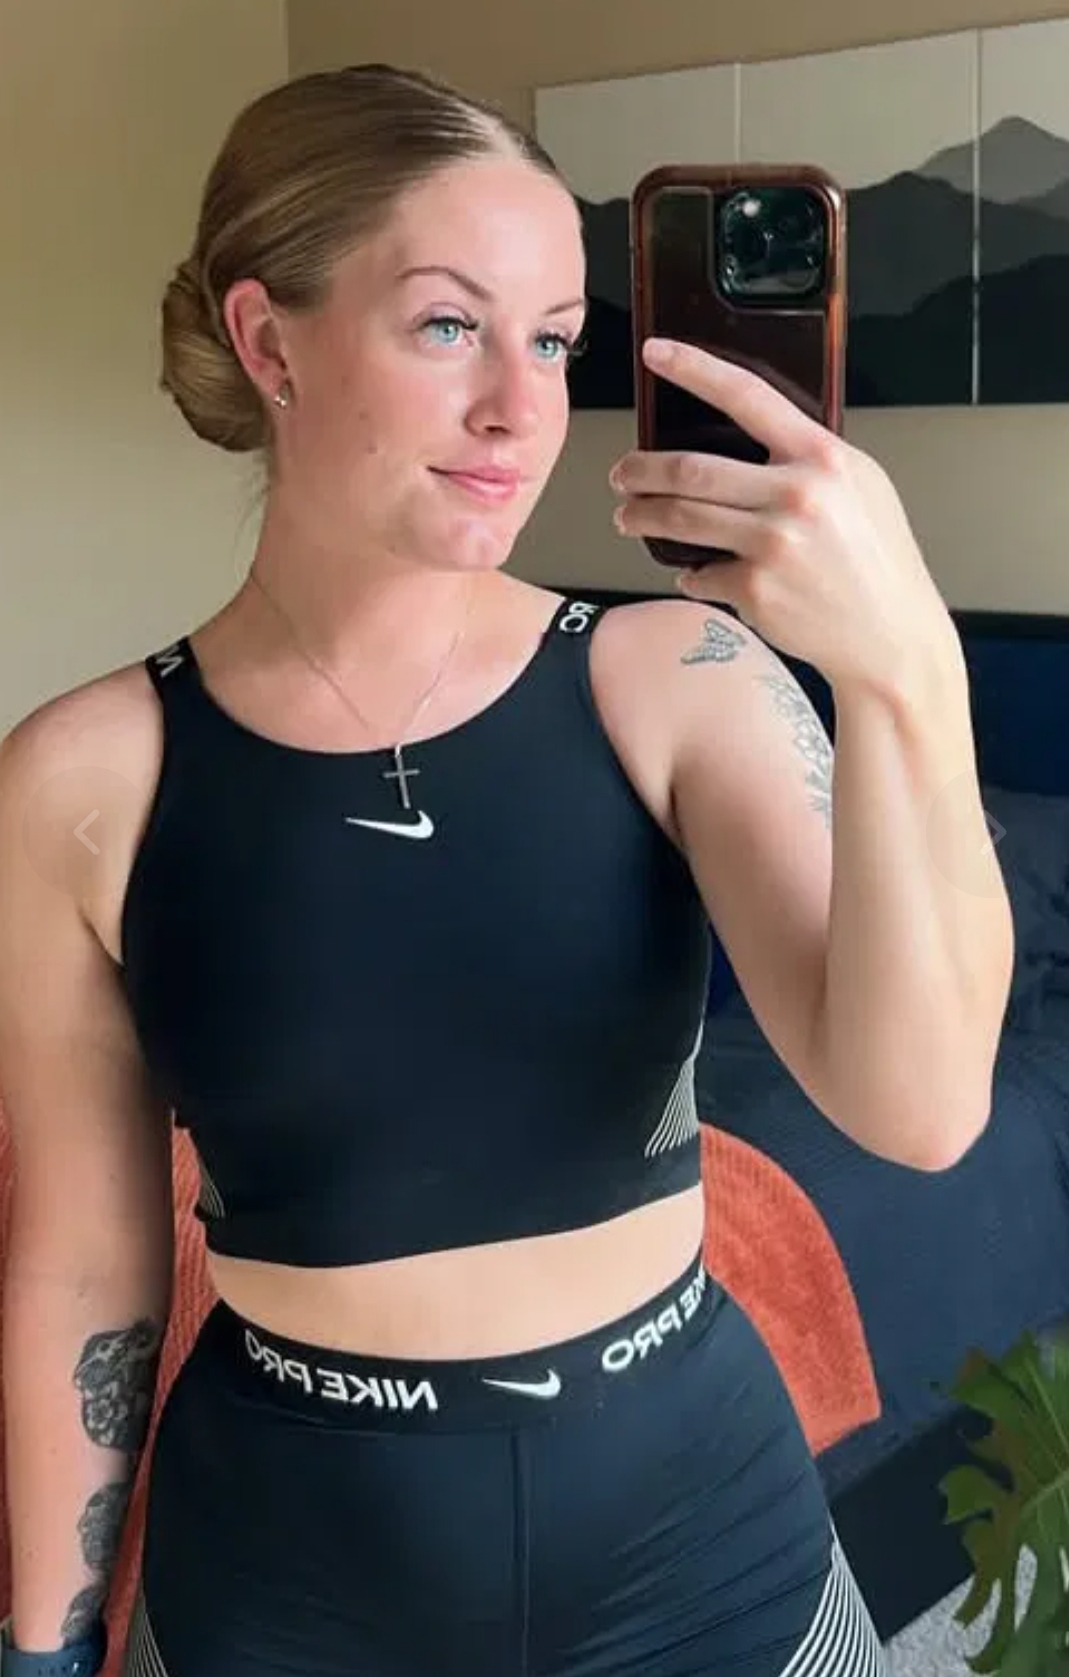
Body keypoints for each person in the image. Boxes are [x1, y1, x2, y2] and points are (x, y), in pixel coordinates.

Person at [0, 61, 1013, 1677]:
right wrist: (46, 1650)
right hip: (286, 1590)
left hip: (709, 1564)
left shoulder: (671, 676)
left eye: (550, 340)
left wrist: (906, 669)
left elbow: (924, 1104)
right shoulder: (85, 775)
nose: (520, 409)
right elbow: (81, 1264)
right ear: (269, 341)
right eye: (447, 325)